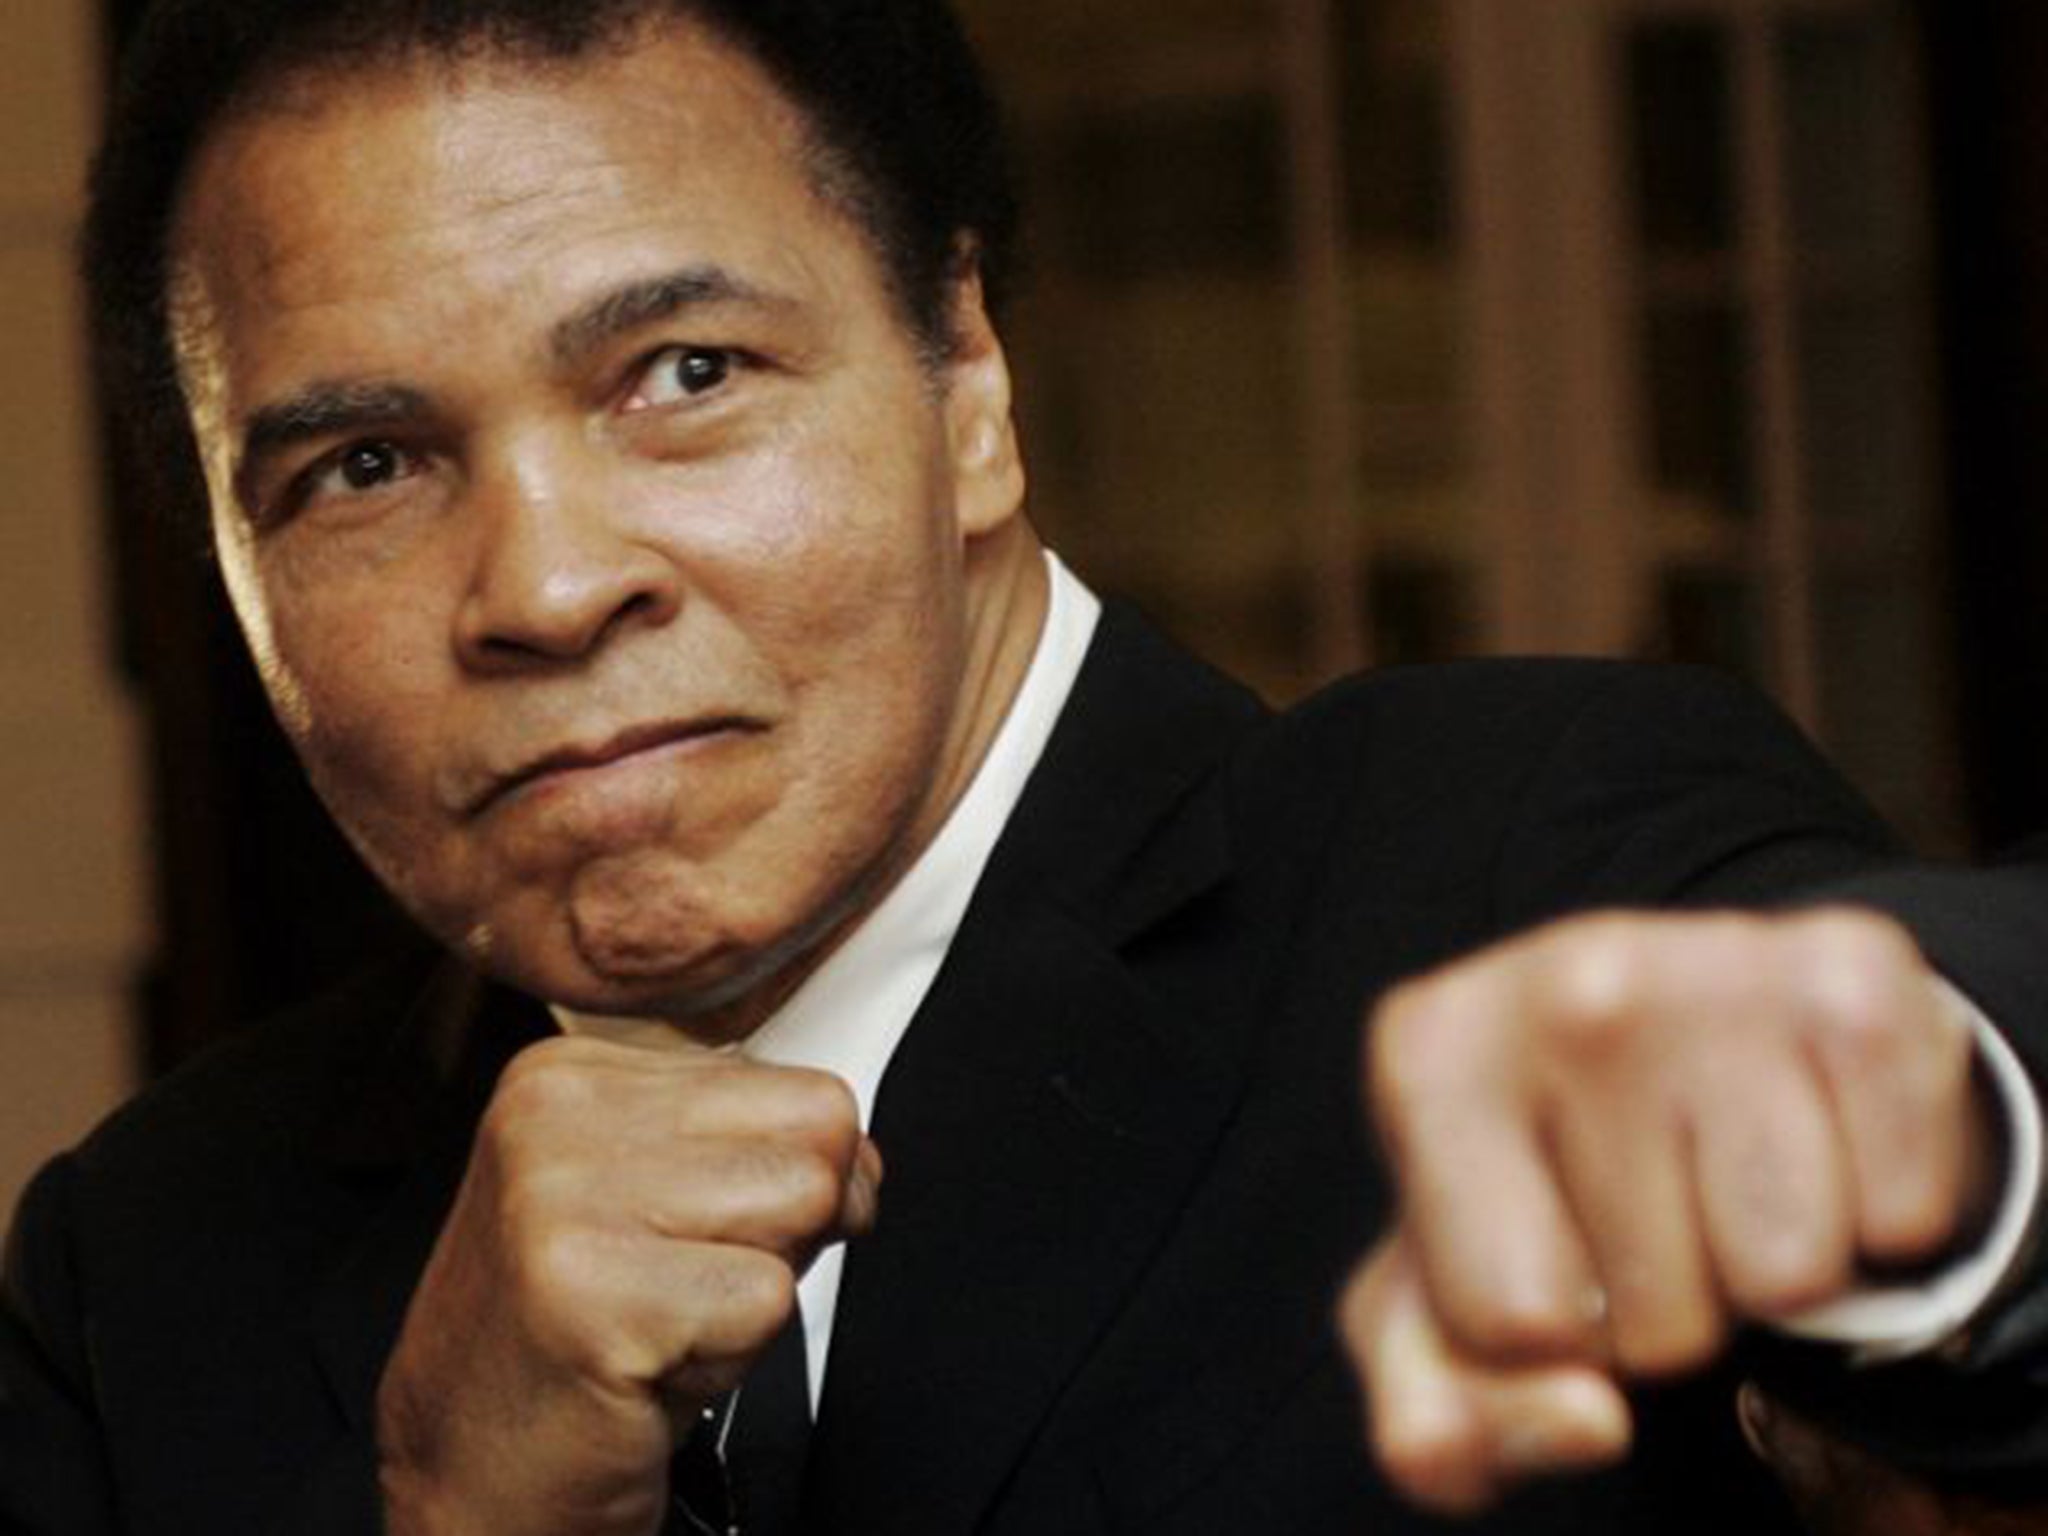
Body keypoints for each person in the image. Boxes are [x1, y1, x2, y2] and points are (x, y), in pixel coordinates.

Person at [4, 0, 2046, 1531]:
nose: (540, 584)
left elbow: (1931, 1059)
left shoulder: (1521, 857)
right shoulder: (150, 1271)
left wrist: (1938, 1133)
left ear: (964, 377)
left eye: (684, 375)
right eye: (365, 467)